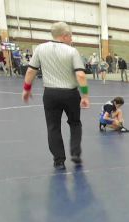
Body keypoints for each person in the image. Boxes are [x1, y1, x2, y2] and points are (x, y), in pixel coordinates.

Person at [22, 22, 90, 170]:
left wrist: (27, 89)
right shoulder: (72, 51)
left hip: (50, 94)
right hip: (70, 94)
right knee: (75, 123)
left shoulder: (40, 49)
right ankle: (76, 153)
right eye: (70, 36)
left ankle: (59, 160)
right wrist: (85, 95)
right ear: (64, 36)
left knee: (53, 127)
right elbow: (80, 75)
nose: (71, 39)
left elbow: (30, 71)